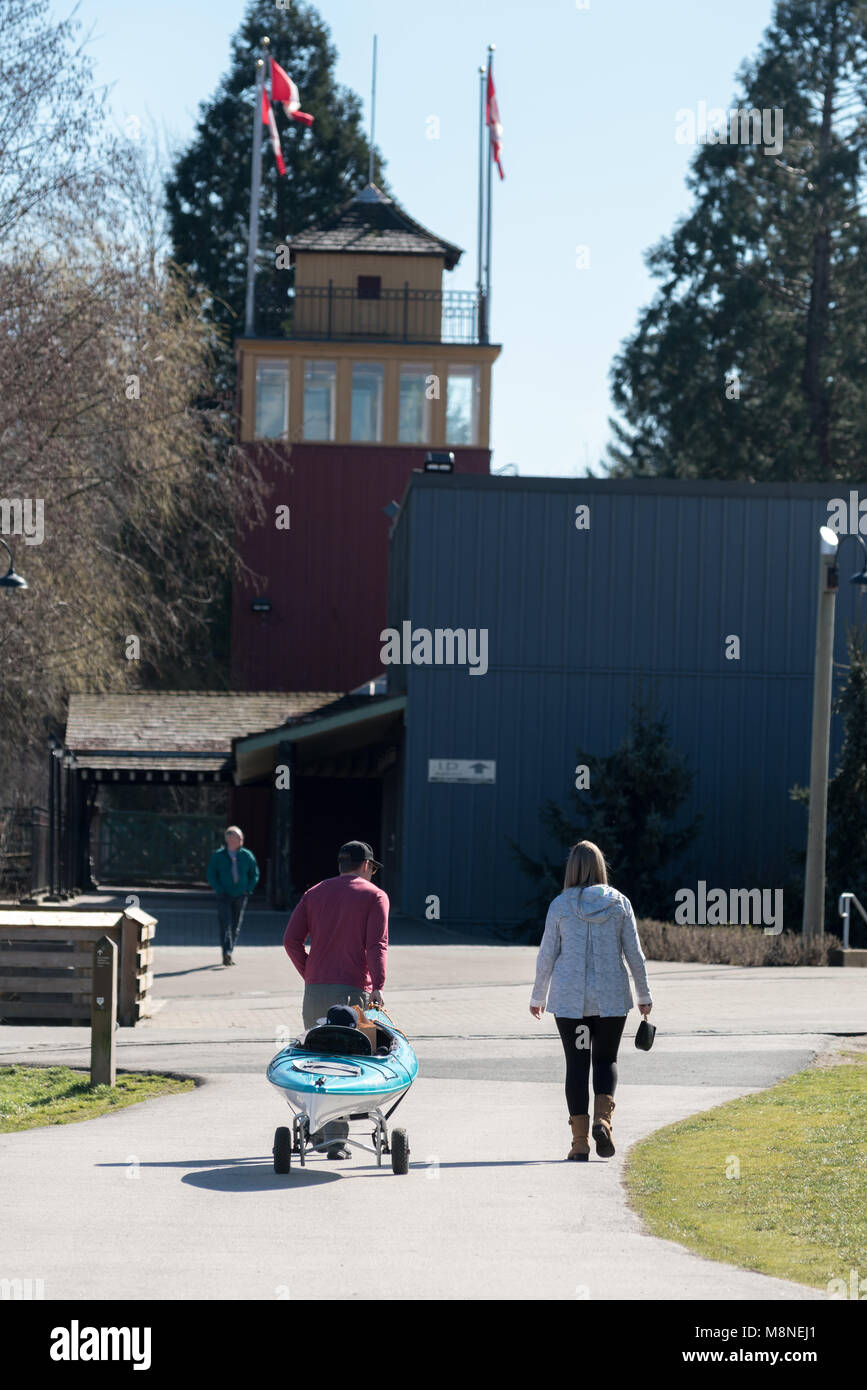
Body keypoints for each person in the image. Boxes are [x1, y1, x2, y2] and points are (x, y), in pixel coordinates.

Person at [529, 840, 653, 1162]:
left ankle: (580, 1142)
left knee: (577, 1065)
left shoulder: (559, 906)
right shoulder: (620, 904)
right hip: (611, 1000)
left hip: (570, 1002)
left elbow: (547, 956)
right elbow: (634, 955)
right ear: (600, 867)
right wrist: (644, 995)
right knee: (605, 1060)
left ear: (572, 869)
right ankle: (604, 1121)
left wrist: (538, 996)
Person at [283, 840, 388, 1160]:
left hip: (315, 992)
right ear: (367, 866)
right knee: (348, 1061)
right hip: (355, 993)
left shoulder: (313, 893)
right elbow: (376, 945)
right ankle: (336, 1142)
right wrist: (378, 986)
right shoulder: (375, 896)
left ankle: (316, 1128)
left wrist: (310, 973)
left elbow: (291, 940)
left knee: (316, 1057)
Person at [206, 825, 259, 967]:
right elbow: (211, 874)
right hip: (224, 895)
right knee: (225, 924)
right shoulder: (218, 856)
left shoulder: (247, 855)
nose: (240, 839)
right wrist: (218, 889)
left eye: (240, 837)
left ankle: (229, 951)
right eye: (236, 836)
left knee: (235, 925)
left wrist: (248, 889)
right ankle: (227, 953)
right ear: (228, 839)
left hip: (241, 895)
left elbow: (254, 874)